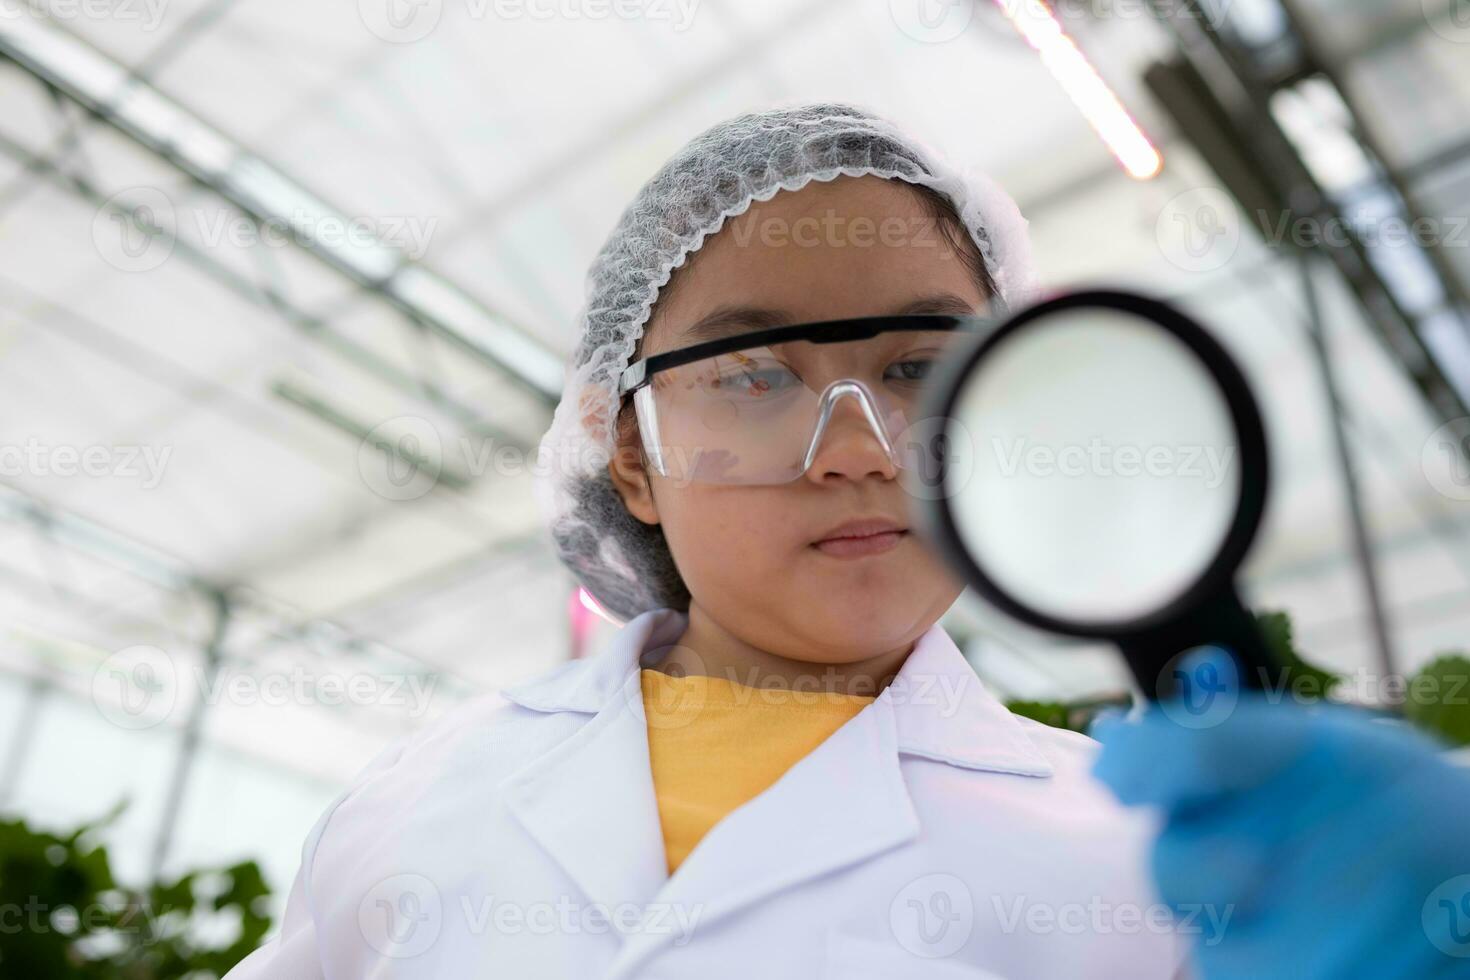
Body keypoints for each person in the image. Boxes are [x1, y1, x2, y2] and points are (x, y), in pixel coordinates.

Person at [224, 103, 1191, 978]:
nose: (855, 450)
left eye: (919, 368)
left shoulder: (1141, 859)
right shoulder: (421, 797)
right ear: (633, 457)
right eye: (755, 376)